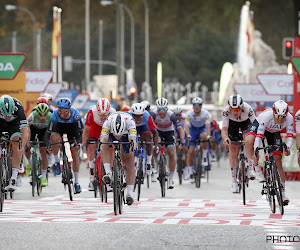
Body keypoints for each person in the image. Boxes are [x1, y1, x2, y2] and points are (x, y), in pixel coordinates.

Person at [245, 100, 293, 205]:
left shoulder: (289, 118)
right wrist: (256, 151)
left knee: (278, 161)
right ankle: (256, 167)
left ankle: (283, 194)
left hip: (274, 133)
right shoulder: (267, 116)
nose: (280, 119)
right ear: (273, 113)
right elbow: (259, 136)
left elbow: (290, 136)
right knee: (249, 141)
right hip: (260, 127)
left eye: (283, 117)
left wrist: (288, 148)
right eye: (278, 116)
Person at [47, 97, 84, 194]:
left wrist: (78, 142)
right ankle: (56, 162)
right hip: (59, 127)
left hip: (72, 129)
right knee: (54, 137)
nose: (62, 112)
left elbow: (81, 132)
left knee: (74, 151)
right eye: (60, 110)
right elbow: (48, 133)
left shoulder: (76, 115)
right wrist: (48, 145)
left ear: (69, 109)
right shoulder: (54, 115)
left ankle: (76, 183)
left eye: (64, 110)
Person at [100, 112, 137, 205]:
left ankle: (129, 193)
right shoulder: (108, 122)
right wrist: (101, 146)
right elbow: (103, 139)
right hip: (111, 133)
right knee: (103, 145)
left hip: (126, 135)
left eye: (118, 135)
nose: (117, 137)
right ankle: (108, 173)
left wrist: (132, 147)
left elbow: (132, 138)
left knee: (130, 159)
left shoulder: (130, 122)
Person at [221, 94, 256, 193]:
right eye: (233, 109)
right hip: (233, 125)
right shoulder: (226, 111)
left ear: (241, 107)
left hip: (246, 123)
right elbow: (224, 129)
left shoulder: (248, 108)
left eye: (237, 110)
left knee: (248, 138)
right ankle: (234, 182)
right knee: (233, 149)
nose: (235, 112)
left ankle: (250, 166)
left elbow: (256, 124)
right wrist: (225, 138)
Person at [82, 98, 115, 191]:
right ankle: (92, 173)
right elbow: (86, 131)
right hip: (95, 128)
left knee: (110, 147)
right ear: (97, 111)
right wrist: (85, 145)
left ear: (109, 111)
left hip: (108, 129)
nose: (103, 117)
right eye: (100, 114)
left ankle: (110, 171)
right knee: (91, 146)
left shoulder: (113, 112)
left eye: (105, 114)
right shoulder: (91, 112)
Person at [151, 98, 185, 189]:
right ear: (156, 109)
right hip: (158, 132)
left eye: (164, 109)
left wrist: (182, 139)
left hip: (169, 132)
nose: (161, 112)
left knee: (171, 152)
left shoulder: (172, 115)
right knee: (155, 146)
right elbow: (148, 127)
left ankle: (171, 177)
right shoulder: (153, 114)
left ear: (167, 108)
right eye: (159, 109)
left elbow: (180, 129)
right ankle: (155, 163)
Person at [0, 95, 29, 190]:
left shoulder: (19, 108)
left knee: (16, 142)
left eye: (10, 114)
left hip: (14, 124)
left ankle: (14, 177)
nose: (8, 116)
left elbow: (25, 130)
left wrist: (23, 147)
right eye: (5, 114)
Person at [129, 103, 159, 181]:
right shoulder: (127, 116)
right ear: (132, 114)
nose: (138, 118)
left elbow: (155, 132)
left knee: (149, 138)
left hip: (143, 127)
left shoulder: (147, 116)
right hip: (132, 128)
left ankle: (149, 163)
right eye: (135, 116)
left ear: (143, 114)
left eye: (140, 116)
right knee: (132, 141)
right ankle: (135, 158)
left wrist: (154, 143)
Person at [185, 97, 211, 182]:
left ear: (201, 106)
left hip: (201, 129)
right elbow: (186, 126)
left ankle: (204, 156)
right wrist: (188, 135)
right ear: (193, 106)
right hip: (193, 130)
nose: (196, 107)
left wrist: (209, 135)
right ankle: (190, 172)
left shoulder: (205, 114)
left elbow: (207, 126)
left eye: (198, 105)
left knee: (204, 136)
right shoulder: (189, 114)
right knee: (191, 151)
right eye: (195, 105)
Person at [25, 103, 52, 187]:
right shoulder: (32, 116)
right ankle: (29, 164)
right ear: (37, 113)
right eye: (40, 115)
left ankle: (43, 176)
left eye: (45, 115)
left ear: (48, 113)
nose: (43, 117)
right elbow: (26, 129)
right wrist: (27, 142)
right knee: (28, 147)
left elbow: (51, 133)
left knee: (43, 151)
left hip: (44, 132)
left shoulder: (51, 117)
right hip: (33, 130)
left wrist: (49, 145)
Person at [173, 106, 189, 180]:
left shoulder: (185, 118)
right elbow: (173, 131)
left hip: (184, 132)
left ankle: (186, 169)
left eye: (179, 115)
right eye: (176, 115)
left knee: (186, 150)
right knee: (174, 139)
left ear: (181, 114)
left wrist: (184, 142)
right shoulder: (172, 119)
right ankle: (177, 159)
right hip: (176, 132)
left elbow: (185, 130)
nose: (178, 116)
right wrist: (176, 142)